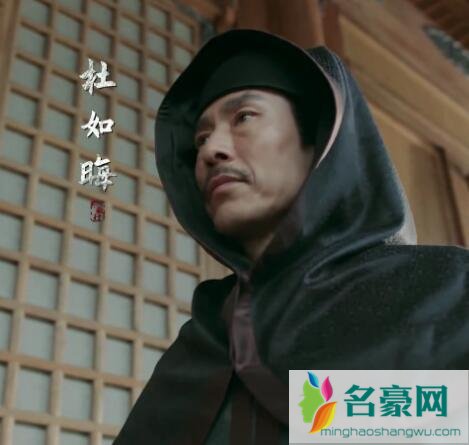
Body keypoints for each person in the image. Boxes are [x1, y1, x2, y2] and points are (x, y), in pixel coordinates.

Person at [113, 29, 469, 445]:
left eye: (244, 117)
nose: (210, 151)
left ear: (318, 137)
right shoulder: (206, 333)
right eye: (201, 139)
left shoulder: (446, 288)